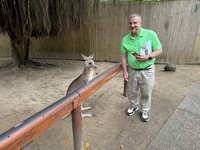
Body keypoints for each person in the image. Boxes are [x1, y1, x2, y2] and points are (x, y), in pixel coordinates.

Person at [120, 13, 162, 122]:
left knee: (146, 92)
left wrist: (148, 56)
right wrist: (125, 71)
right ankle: (133, 106)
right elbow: (124, 56)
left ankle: (145, 110)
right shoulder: (125, 39)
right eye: (130, 23)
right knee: (132, 91)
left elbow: (159, 50)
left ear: (140, 23)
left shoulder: (150, 34)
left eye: (135, 23)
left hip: (147, 70)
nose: (132, 25)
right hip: (132, 70)